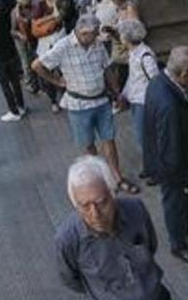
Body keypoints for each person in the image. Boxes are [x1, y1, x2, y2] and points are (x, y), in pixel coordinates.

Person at [56, 156, 188, 300]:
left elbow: (151, 245)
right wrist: (103, 292)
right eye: (84, 206)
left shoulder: (136, 209)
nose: (95, 214)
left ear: (112, 193)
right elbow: (70, 278)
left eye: (101, 203)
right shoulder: (67, 238)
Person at [32, 14, 135, 192]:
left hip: (101, 101)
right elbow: (37, 65)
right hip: (78, 105)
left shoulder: (97, 44)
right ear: (82, 32)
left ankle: (117, 178)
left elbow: (107, 69)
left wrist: (117, 92)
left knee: (109, 140)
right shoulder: (63, 46)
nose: (97, 37)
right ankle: (101, 179)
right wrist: (57, 81)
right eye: (94, 33)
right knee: (88, 145)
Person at [143, 46, 188, 265]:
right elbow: (170, 146)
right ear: (184, 74)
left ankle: (185, 225)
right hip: (173, 167)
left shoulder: (159, 81)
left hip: (173, 159)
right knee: (175, 201)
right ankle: (178, 245)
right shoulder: (169, 103)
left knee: (181, 201)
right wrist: (184, 179)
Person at [116, 18, 161, 184]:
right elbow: (133, 78)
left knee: (147, 138)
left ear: (127, 37)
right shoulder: (133, 53)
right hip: (136, 100)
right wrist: (124, 94)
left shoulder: (145, 56)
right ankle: (150, 166)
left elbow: (155, 81)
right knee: (142, 137)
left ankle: (157, 170)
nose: (120, 37)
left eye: (121, 34)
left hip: (144, 102)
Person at [33, 0, 68, 113]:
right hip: (44, 42)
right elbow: (35, 22)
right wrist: (51, 17)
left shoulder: (61, 1)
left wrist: (49, 20)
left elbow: (61, 18)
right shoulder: (40, 5)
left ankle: (66, 94)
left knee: (64, 69)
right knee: (46, 70)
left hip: (59, 38)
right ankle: (53, 100)